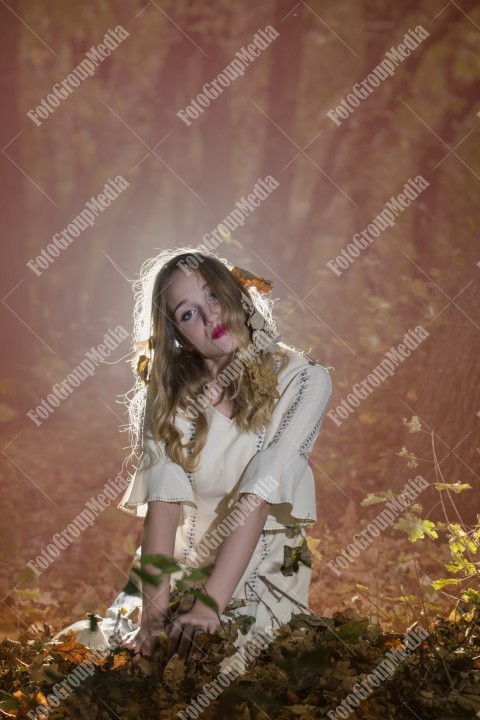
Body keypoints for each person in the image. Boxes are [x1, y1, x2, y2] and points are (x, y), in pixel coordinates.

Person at [54, 248, 332, 668]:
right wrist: (152, 615)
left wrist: (208, 606)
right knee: (114, 660)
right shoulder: (168, 396)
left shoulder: (305, 379)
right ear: (176, 333)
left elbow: (257, 498)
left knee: (221, 669)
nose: (209, 317)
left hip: (258, 574)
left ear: (236, 294)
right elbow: (163, 508)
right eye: (187, 313)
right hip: (172, 574)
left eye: (214, 297)